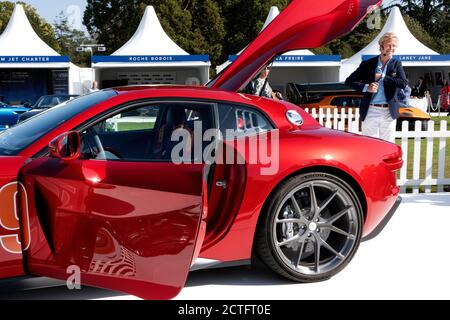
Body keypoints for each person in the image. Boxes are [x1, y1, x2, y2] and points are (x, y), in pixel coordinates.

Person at [345, 32, 408, 143]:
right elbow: (349, 81)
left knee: (388, 145)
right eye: (388, 45)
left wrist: (383, 77)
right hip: (371, 109)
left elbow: (403, 83)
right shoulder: (367, 64)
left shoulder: (396, 63)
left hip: (389, 110)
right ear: (381, 46)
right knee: (369, 144)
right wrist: (366, 88)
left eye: (394, 46)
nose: (391, 48)